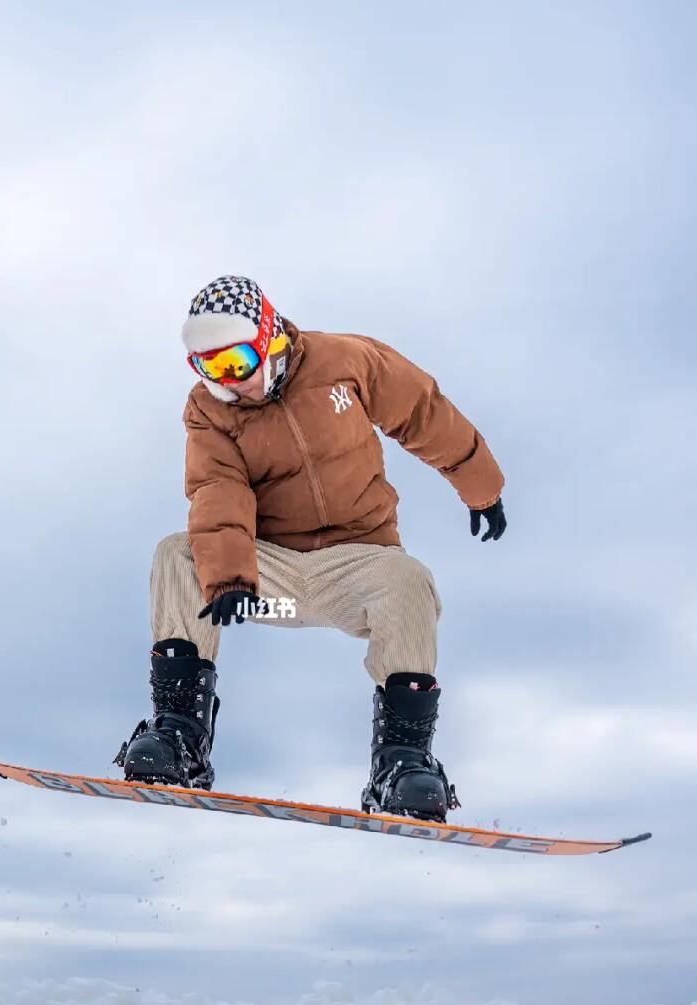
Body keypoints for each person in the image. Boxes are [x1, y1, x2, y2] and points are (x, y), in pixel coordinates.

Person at [114, 275, 506, 821]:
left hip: (355, 573)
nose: (228, 383)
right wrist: (229, 577)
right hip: (265, 589)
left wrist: (480, 487)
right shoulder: (211, 410)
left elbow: (423, 411)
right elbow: (216, 488)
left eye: (235, 364)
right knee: (177, 554)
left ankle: (403, 764)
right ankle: (179, 738)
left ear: (269, 336)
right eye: (209, 369)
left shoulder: (347, 362)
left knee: (409, 580)